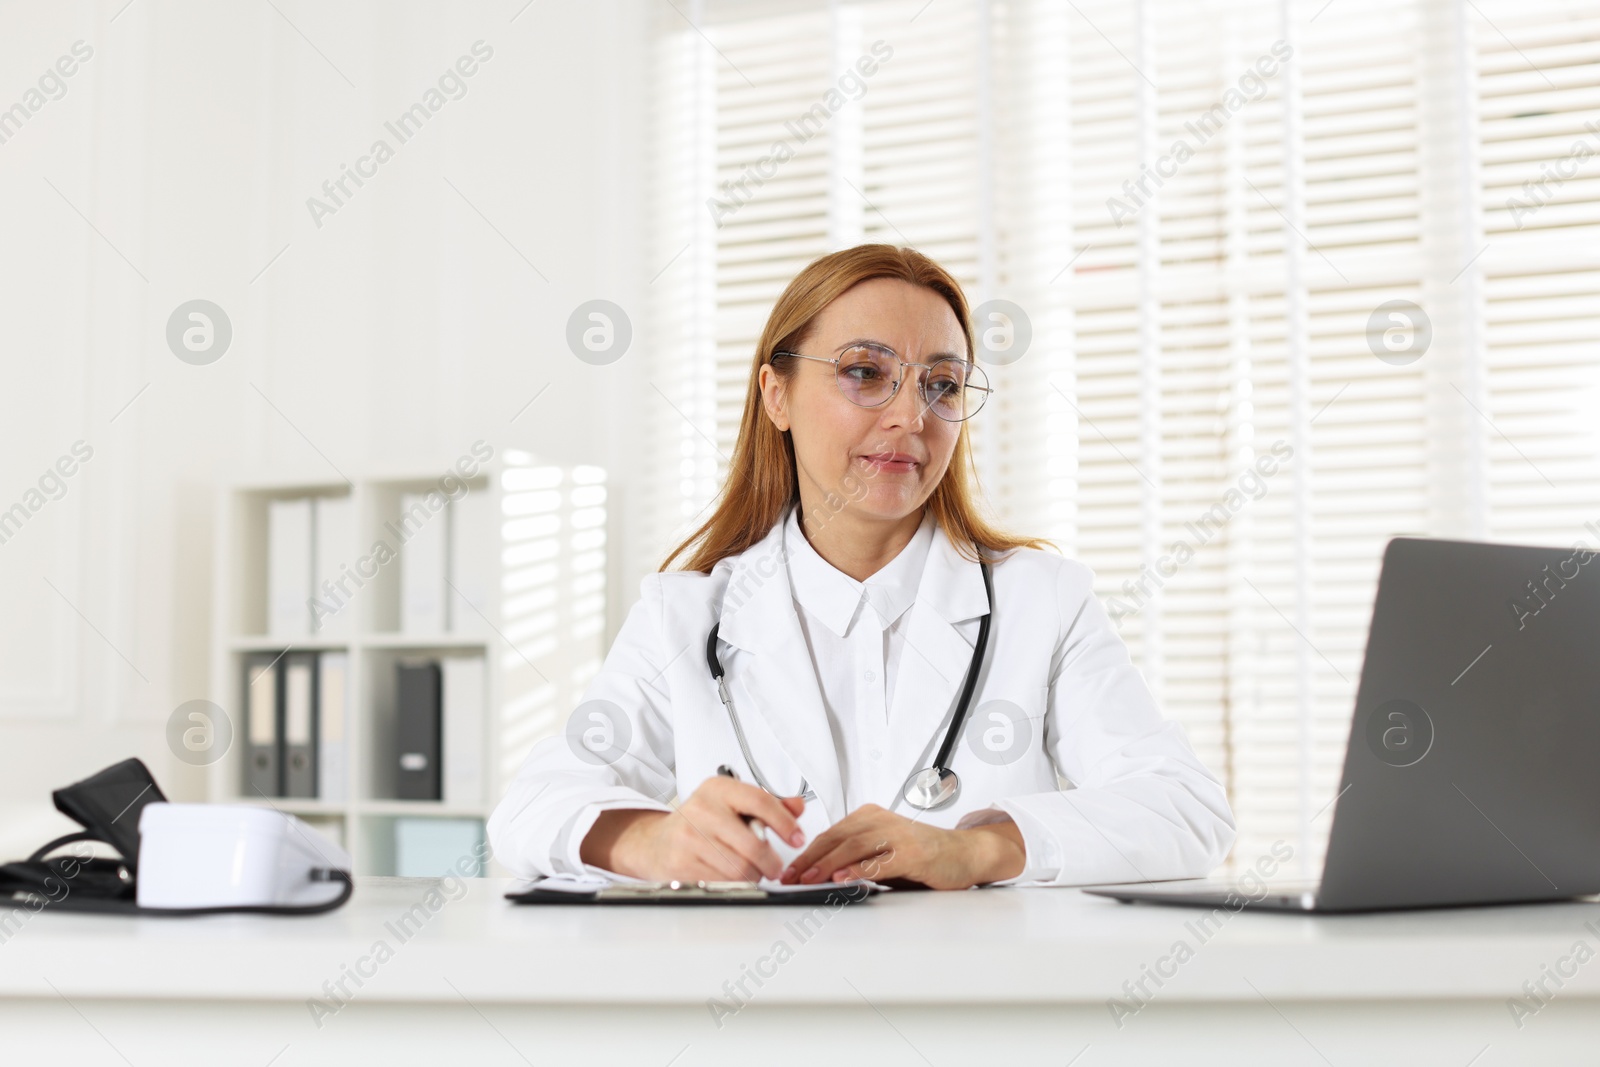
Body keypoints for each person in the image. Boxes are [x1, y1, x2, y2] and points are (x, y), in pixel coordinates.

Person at [487, 244, 1235, 890]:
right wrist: (651, 840)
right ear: (776, 393)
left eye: (941, 384)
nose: (912, 415)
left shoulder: (1043, 602)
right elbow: (528, 809)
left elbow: (1186, 808)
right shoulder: (684, 617)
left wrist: (977, 847)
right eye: (864, 372)